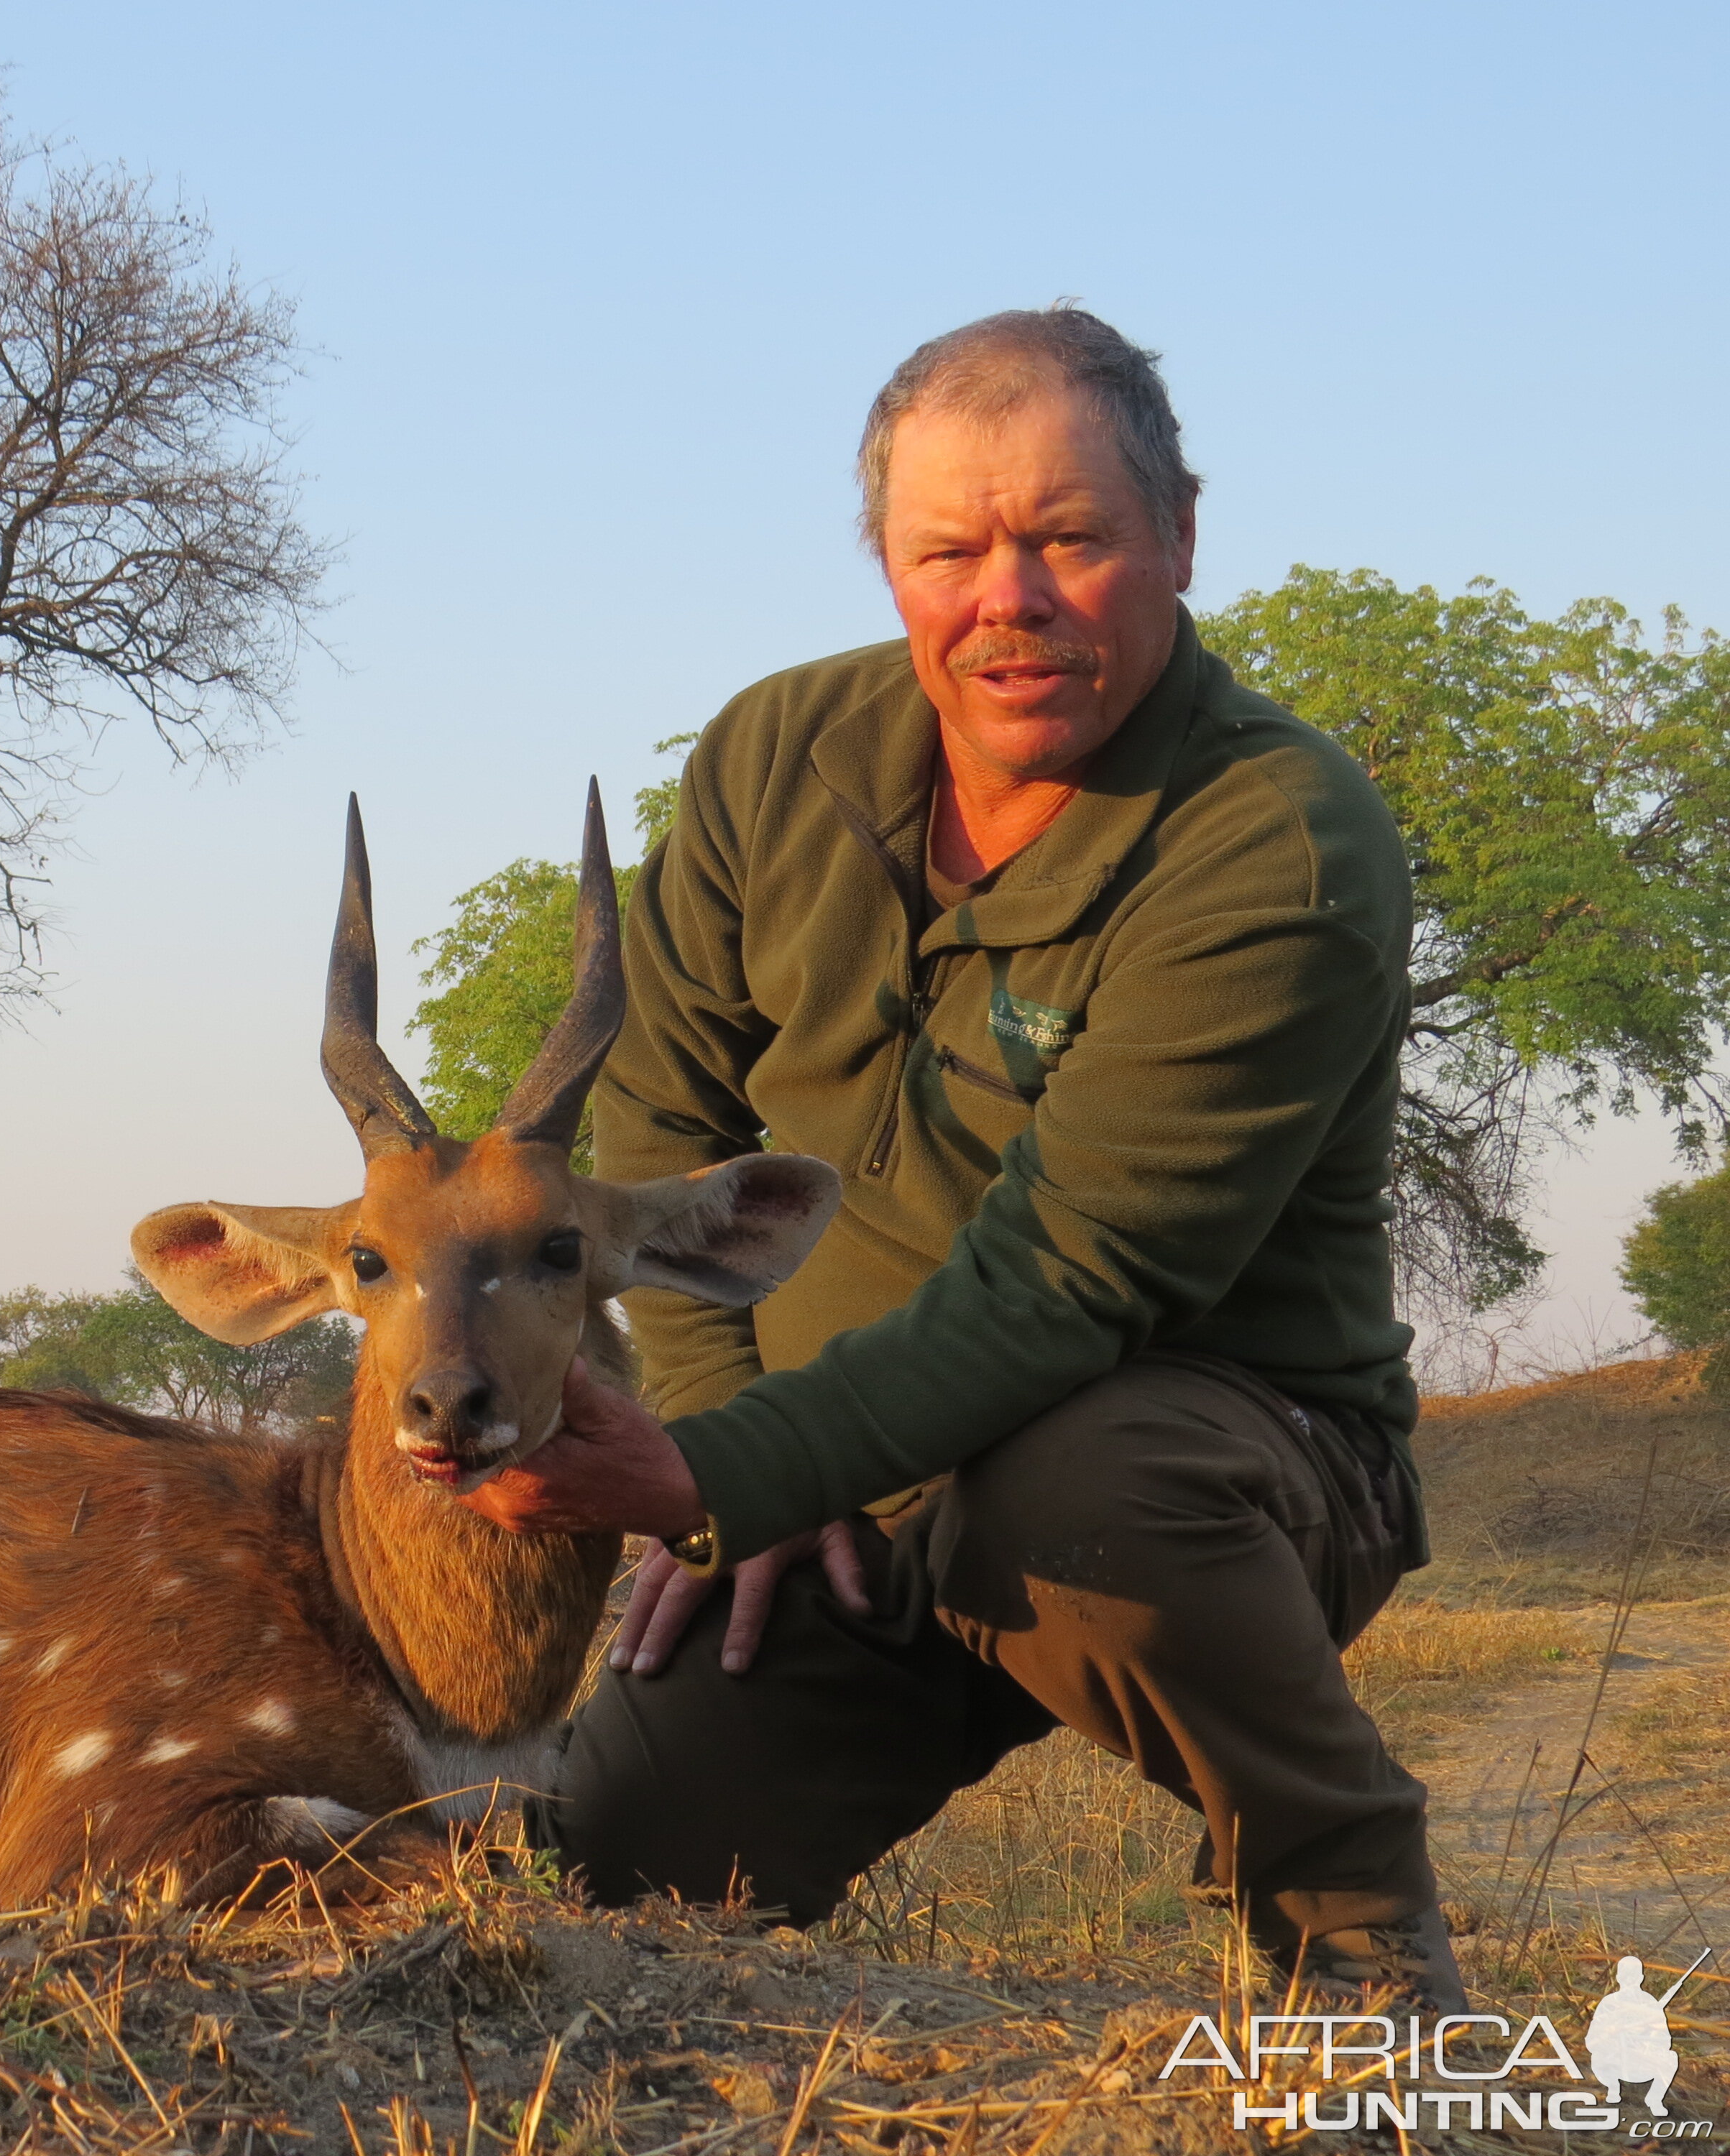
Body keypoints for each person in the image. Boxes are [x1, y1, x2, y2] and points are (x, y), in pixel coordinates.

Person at [464, 305, 1462, 2009]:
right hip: (842, 1485)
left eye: (1070, 537)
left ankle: (1357, 1942)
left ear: (1177, 537)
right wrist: (742, 1457)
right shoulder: (771, 753)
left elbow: (1077, 1278)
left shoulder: (1278, 839)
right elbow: (663, 1131)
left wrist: (720, 1478)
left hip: (1217, 1455)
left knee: (1074, 1480)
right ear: (888, 564)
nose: (1009, 595)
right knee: (612, 1870)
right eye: (949, 548)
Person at [1585, 1957, 1680, 2116]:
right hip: (1613, 2062)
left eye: (1633, 1976)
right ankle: (1613, 2089)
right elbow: (1592, 2040)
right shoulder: (1609, 2003)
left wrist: (1648, 2038)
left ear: (1641, 1978)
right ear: (1619, 1978)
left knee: (1671, 2058)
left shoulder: (1650, 2003)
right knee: (1598, 2057)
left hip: (1641, 2063)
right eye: (1626, 1976)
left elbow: (1665, 2041)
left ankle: (1655, 2099)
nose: (1630, 1980)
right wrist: (1612, 2036)